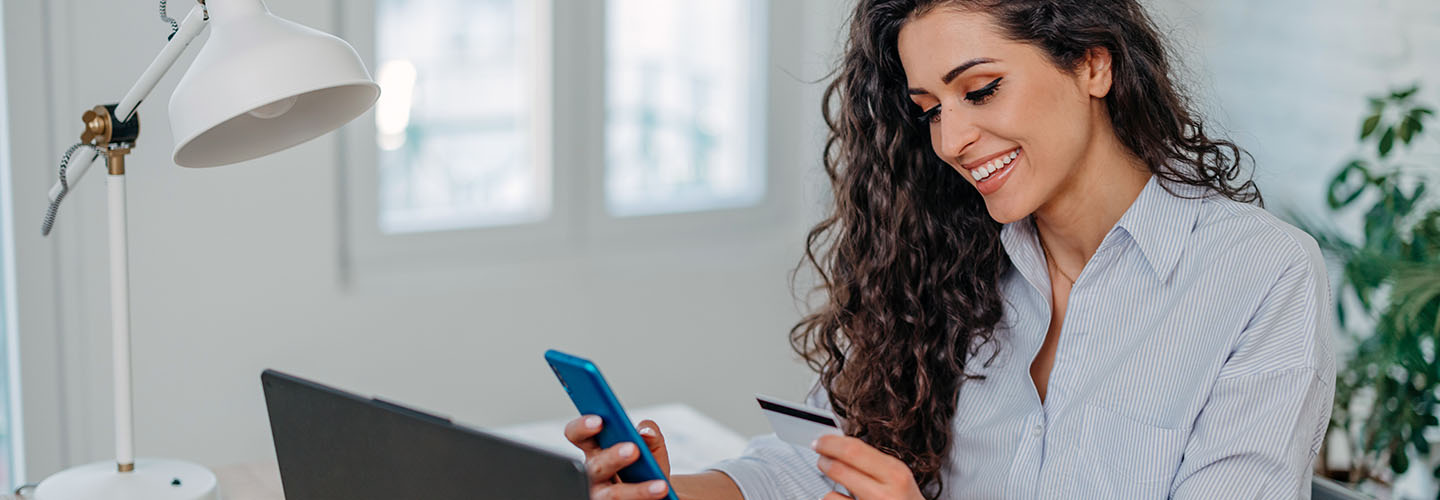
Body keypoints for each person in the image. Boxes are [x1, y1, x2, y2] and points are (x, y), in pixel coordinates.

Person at [565, 0, 1336, 498]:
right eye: (929, 109)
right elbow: (823, 458)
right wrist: (671, 489)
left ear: (1093, 63)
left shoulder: (1258, 280)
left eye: (982, 89)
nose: (953, 140)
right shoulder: (948, 262)